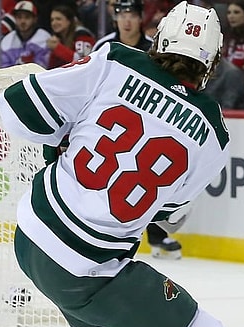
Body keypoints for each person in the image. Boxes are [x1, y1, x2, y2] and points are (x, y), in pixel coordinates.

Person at [0, 2, 244, 327]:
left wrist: (65, 141)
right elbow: (168, 217)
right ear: (210, 62)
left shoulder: (114, 61)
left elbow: (15, 107)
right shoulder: (213, 131)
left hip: (32, 237)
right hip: (89, 266)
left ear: (160, 38)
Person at [93, 0, 185, 259]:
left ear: (141, 17)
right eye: (122, 14)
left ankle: (157, 234)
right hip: (109, 123)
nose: (127, 20)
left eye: (132, 14)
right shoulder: (106, 47)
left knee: (149, 174)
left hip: (146, 125)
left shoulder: (153, 50)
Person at [0, 1, 52, 68]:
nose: (23, 21)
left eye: (27, 17)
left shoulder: (45, 38)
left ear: (35, 19)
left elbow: (42, 68)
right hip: (12, 77)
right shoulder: (7, 40)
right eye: (19, 17)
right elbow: (4, 68)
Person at [46, 4, 96, 69]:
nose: (54, 23)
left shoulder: (82, 35)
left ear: (69, 21)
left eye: (58, 19)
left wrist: (57, 48)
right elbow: (52, 67)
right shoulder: (57, 39)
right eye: (52, 20)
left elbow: (82, 61)